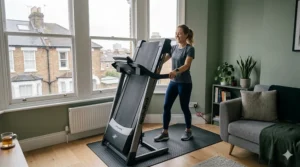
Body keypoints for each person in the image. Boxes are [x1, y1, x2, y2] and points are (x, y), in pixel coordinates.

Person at [154, 24, 195, 142]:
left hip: (185, 83)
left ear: (186, 35)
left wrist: (175, 71)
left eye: (180, 33)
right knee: (166, 106)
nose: (177, 35)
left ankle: (188, 131)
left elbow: (187, 65)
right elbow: (163, 59)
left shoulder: (190, 49)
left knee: (184, 107)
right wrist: (158, 66)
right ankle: (165, 132)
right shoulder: (174, 48)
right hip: (173, 82)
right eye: (176, 32)